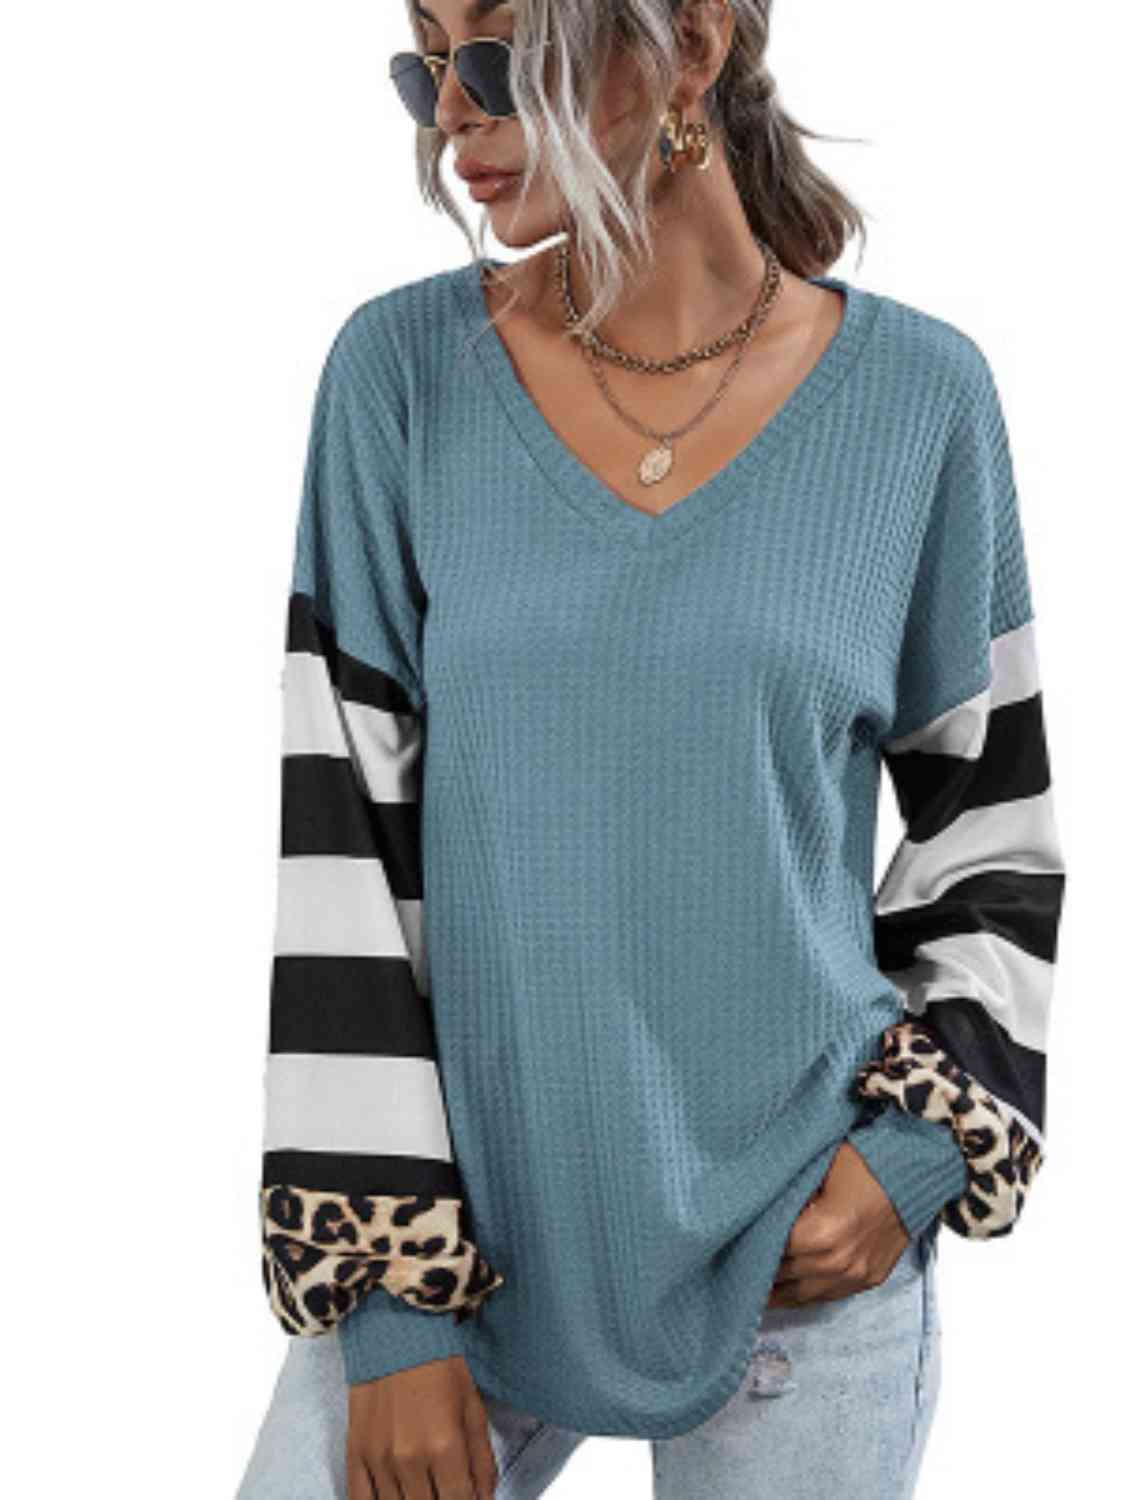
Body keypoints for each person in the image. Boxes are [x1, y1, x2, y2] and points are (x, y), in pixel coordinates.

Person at [237, 3, 1067, 1497]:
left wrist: (914, 1155)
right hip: (464, 1261)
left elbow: (991, 835)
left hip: (802, 1254)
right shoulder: (402, 378)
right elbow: (343, 840)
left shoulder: (919, 401)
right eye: (423, 61)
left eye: (496, 53)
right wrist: (385, 1299)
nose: (452, 112)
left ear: (687, 45)